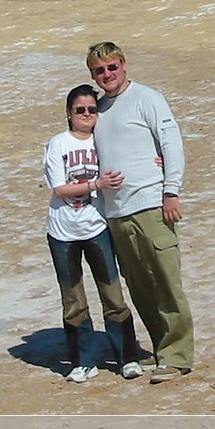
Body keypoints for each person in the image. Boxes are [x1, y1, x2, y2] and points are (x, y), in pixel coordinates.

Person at [86, 41, 195, 384]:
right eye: (100, 70)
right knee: (139, 286)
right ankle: (161, 350)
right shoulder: (97, 110)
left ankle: (178, 355)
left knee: (164, 280)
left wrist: (171, 191)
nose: (107, 75)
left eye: (112, 67)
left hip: (151, 204)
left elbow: (170, 143)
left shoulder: (147, 98)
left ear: (124, 65)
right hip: (115, 214)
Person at [43, 84, 144, 383]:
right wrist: (94, 185)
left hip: (97, 226)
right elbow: (60, 189)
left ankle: (126, 357)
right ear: (69, 114)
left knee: (112, 293)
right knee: (73, 299)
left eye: (91, 110)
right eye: (80, 110)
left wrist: (156, 161)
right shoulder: (58, 144)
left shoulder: (104, 141)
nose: (87, 115)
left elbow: (132, 156)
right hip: (63, 231)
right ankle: (83, 360)